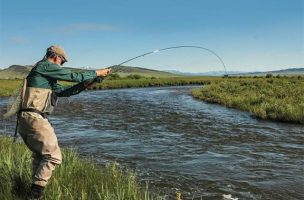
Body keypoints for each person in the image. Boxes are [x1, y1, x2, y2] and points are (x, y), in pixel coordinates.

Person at [17, 45, 111, 199]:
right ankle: (34, 196)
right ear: (56, 57)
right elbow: (72, 75)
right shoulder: (44, 66)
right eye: (62, 62)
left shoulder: (45, 74)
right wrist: (97, 72)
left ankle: (31, 192)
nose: (62, 65)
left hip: (26, 119)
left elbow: (63, 92)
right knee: (53, 156)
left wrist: (87, 84)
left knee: (41, 157)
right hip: (35, 118)